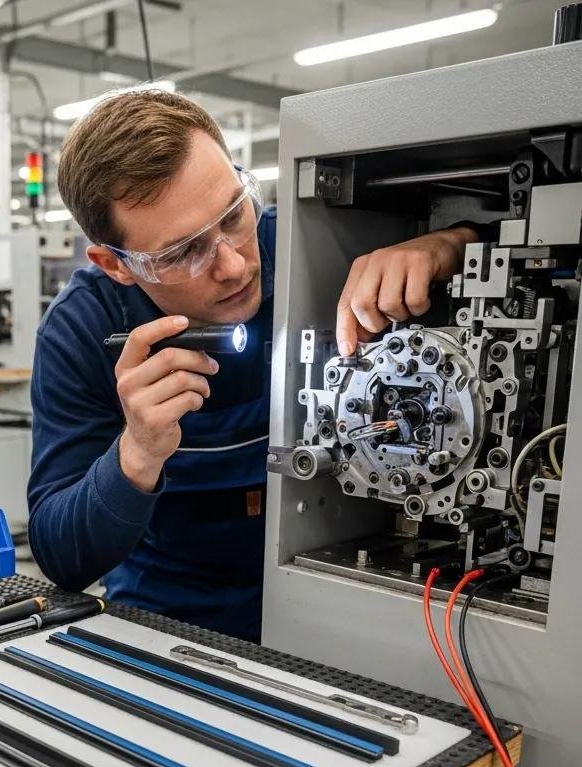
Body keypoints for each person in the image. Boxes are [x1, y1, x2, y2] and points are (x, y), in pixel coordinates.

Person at [27, 89, 478, 641]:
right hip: (168, 615)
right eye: (180, 253)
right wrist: (137, 452)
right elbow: (60, 556)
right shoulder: (81, 328)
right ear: (115, 265)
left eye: (234, 214)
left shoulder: (315, 242)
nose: (234, 264)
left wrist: (447, 245)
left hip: (339, 596)